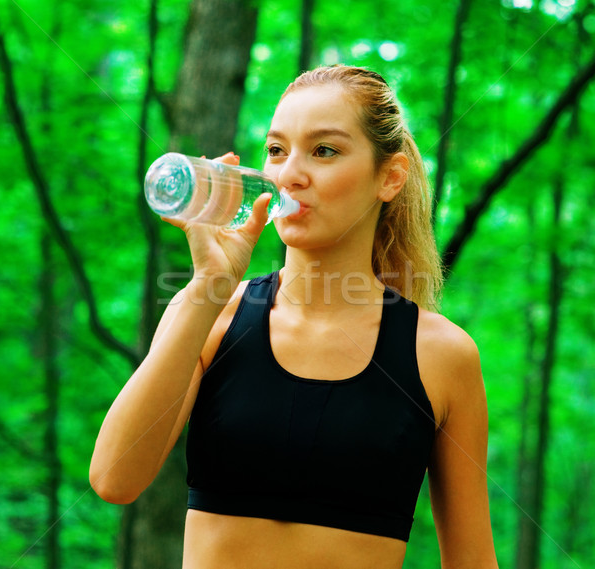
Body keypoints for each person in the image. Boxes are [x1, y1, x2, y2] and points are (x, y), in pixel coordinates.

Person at [90, 65, 499, 569]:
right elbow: (114, 478)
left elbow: (473, 561)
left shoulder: (440, 355)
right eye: (277, 150)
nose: (289, 174)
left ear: (389, 178)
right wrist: (207, 289)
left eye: (324, 151)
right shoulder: (211, 315)